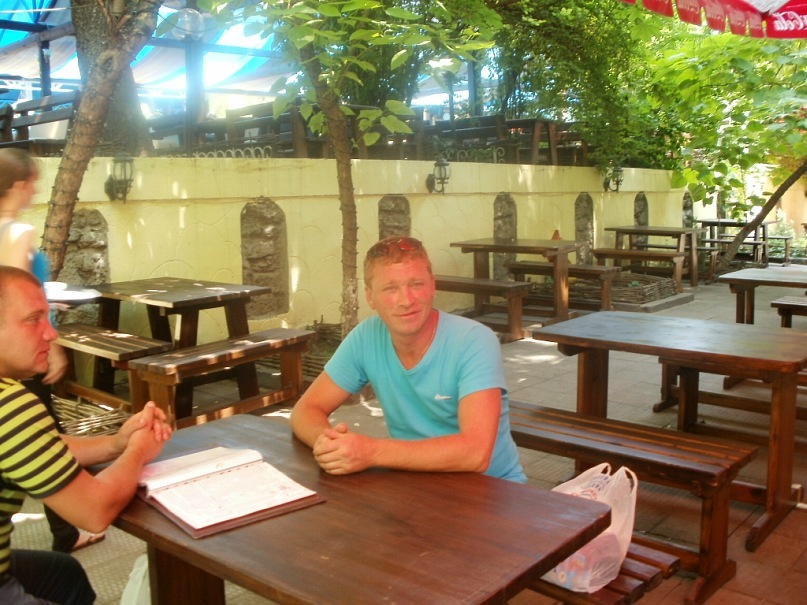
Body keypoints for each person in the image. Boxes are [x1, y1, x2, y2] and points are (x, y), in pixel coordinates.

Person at [0, 266, 172, 605]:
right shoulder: (9, 404)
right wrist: (138, 451)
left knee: (63, 575)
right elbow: (95, 511)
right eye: (33, 320)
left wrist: (116, 443)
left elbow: (38, 448)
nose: (50, 334)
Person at [290, 236, 526, 483]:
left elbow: (475, 453)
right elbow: (306, 410)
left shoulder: (473, 340)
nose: (406, 300)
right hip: (414, 484)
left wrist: (370, 452)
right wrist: (329, 445)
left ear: (433, 286)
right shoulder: (366, 337)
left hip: (493, 489)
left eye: (416, 284)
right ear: (370, 297)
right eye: (390, 288)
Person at [0, 147, 99, 554]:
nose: (35, 191)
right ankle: (69, 524)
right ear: (18, 185)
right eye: (33, 183)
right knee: (41, 430)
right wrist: (50, 342)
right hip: (19, 350)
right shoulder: (16, 232)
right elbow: (15, 294)